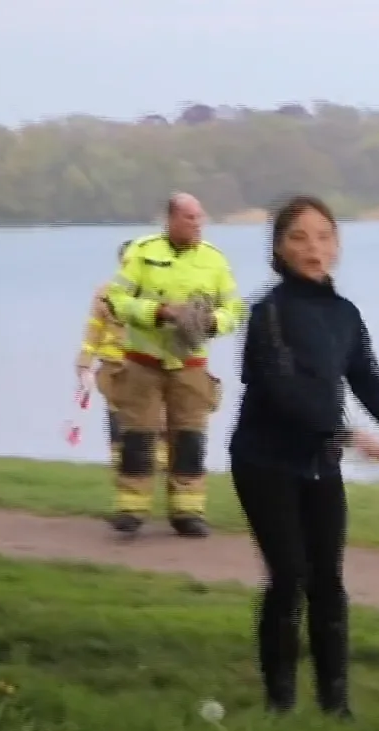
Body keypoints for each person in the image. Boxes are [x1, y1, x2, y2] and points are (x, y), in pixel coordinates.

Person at [229, 193, 379, 719]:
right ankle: (280, 706)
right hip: (264, 460)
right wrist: (347, 434)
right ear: (280, 249)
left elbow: (372, 387)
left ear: (337, 245)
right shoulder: (269, 314)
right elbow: (282, 389)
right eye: (299, 237)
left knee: (328, 583)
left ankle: (336, 707)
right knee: (289, 577)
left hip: (320, 462)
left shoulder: (344, 315)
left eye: (325, 236)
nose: (314, 247)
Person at [104, 193, 246, 537]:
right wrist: (158, 313)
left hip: (190, 364)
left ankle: (188, 512)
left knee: (190, 437)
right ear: (170, 219)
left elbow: (236, 310)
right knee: (138, 436)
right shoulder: (142, 252)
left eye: (199, 217)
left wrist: (213, 322)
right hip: (143, 362)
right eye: (188, 217)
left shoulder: (215, 260)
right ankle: (132, 510)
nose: (196, 223)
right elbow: (117, 300)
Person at [75, 238, 168, 479]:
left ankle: (159, 459)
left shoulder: (156, 291)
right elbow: (94, 327)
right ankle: (120, 460)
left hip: (147, 362)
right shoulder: (105, 292)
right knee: (116, 414)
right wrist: (84, 361)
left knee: (155, 412)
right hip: (113, 364)